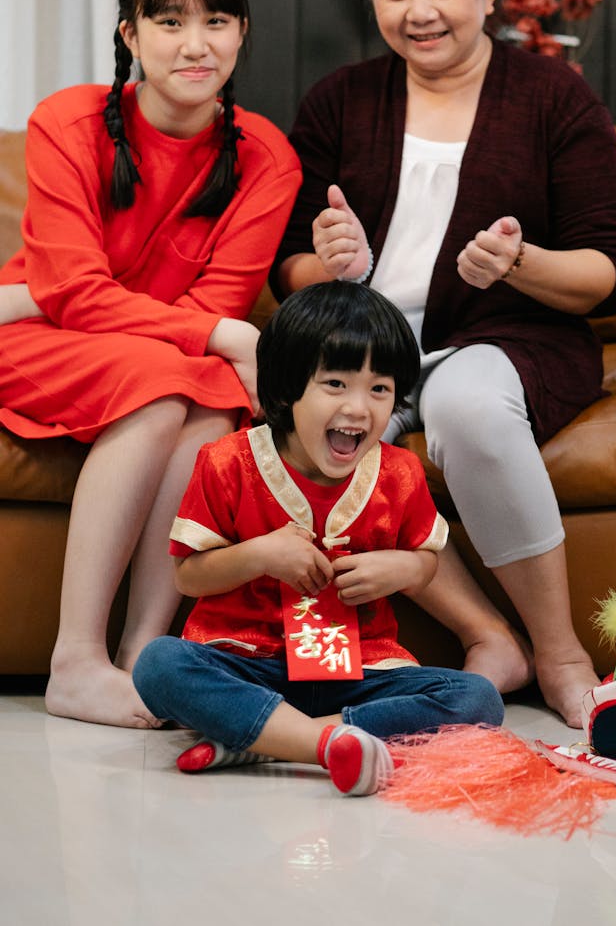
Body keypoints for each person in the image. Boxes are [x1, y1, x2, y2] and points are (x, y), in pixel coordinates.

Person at [271, 0, 616, 729]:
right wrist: (321, 267)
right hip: (364, 347)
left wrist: (520, 263)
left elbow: (610, 274)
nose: (419, 12)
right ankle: (486, 637)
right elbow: (284, 262)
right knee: (307, 444)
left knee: (469, 405)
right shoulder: (340, 100)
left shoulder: (554, 98)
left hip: (506, 338)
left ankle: (557, 652)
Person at [0, 0, 302, 728]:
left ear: (243, 33)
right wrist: (222, 336)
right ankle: (74, 661)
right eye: (168, 21)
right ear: (130, 35)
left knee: (203, 396)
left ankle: (143, 653)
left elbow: (219, 298)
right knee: (170, 378)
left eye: (217, 20)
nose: (194, 44)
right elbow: (72, 291)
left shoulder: (268, 159)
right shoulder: (66, 123)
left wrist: (218, 335)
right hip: (36, 341)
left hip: (148, 351)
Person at [132, 281, 504, 795]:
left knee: (478, 698)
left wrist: (404, 568)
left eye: (379, 389)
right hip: (247, 664)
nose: (359, 408)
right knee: (158, 666)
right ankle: (321, 742)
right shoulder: (227, 462)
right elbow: (188, 575)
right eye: (336, 384)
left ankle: (265, 739)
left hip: (360, 673)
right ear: (286, 389)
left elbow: (425, 559)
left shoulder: (399, 473)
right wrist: (260, 554)